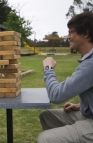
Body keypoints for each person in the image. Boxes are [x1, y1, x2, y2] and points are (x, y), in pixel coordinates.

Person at [37, 12, 93, 143]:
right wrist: (81, 105)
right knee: (46, 116)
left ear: (85, 34)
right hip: (87, 114)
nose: (68, 36)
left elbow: (56, 95)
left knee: (45, 139)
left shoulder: (91, 64)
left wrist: (48, 68)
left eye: (71, 32)